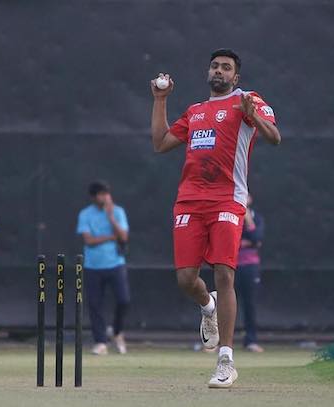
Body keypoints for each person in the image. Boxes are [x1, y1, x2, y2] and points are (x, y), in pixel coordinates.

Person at [150, 48, 281, 388]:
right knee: (185, 280)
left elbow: (275, 138)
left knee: (224, 272)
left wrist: (256, 116)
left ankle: (226, 359)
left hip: (227, 199)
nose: (219, 71)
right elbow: (161, 143)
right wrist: (161, 99)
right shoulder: (195, 111)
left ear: (235, 77)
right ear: (208, 72)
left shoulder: (246, 100)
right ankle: (208, 307)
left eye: (226, 68)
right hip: (189, 202)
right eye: (215, 66)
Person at [76, 181, 130, 355]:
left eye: (106, 193)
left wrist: (111, 217)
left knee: (123, 300)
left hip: (116, 264)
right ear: (93, 197)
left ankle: (116, 331)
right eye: (100, 194)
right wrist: (110, 237)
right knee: (95, 304)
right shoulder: (85, 214)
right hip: (93, 266)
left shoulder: (118, 212)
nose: (104, 197)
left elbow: (123, 237)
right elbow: (89, 241)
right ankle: (100, 342)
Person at [236, 194, 265, 353]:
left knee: (250, 304)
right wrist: (246, 242)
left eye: (245, 196)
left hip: (250, 267)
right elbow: (229, 240)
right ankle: (219, 342)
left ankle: (251, 341)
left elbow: (257, 238)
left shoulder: (257, 218)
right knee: (226, 302)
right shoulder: (230, 216)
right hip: (230, 266)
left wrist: (248, 220)